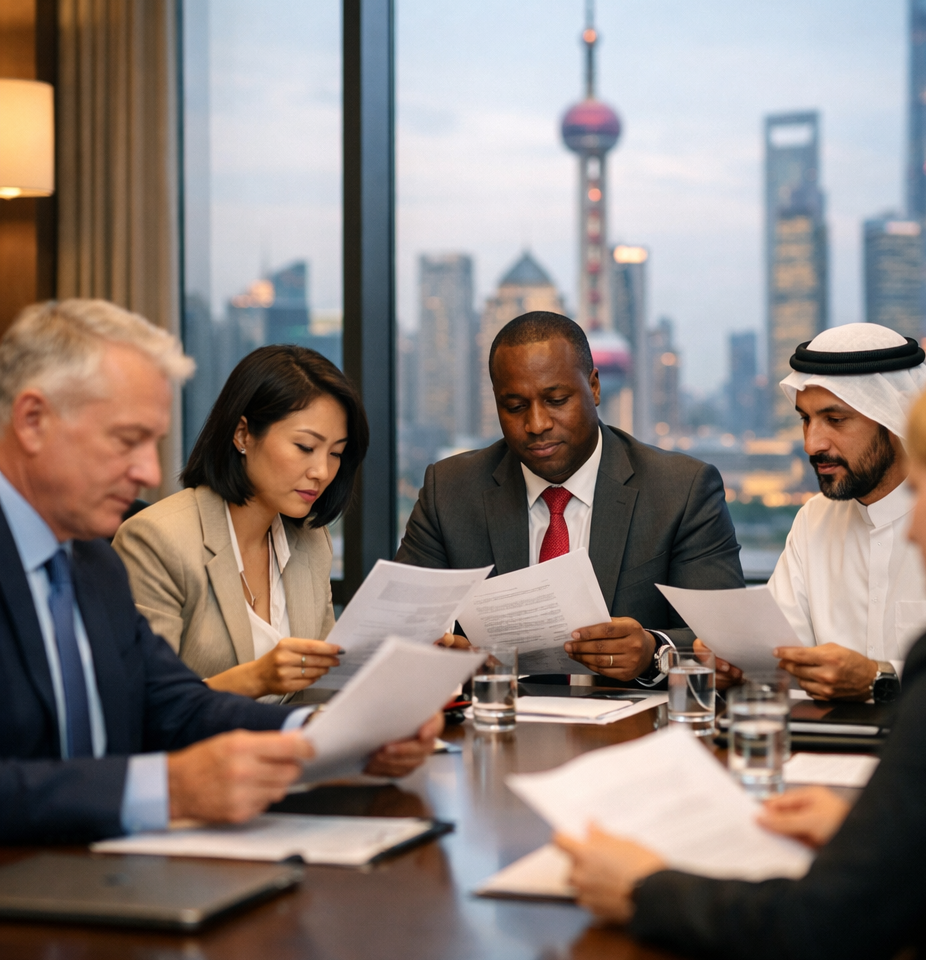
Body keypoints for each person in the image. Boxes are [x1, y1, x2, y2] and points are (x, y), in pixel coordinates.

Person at [555, 345, 926, 960]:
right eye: (806, 420)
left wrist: (643, 887)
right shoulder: (815, 522)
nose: (913, 527)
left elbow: (822, 932)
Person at [0, 301, 440, 844]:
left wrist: (333, 737)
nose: (149, 472)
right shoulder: (140, 542)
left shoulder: (90, 563)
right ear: (33, 420)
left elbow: (172, 704)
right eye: (125, 439)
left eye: (152, 443)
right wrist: (169, 788)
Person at [395, 311, 744, 685]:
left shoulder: (681, 490)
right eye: (514, 407)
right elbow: (400, 629)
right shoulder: (449, 491)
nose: (537, 424)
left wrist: (653, 652)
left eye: (557, 400)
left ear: (593, 387)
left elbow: (730, 642)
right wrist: (443, 658)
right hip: (495, 728)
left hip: (631, 733)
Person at [113, 345, 367, 701]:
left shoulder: (311, 541)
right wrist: (254, 680)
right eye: (306, 447)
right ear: (243, 435)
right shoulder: (157, 540)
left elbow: (323, 687)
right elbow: (141, 704)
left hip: (291, 749)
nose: (322, 472)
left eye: (336, 453)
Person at [767, 323, 926, 701]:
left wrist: (881, 678)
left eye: (835, 420)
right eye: (805, 419)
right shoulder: (813, 519)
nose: (812, 444)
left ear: (894, 417)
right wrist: (737, 662)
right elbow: (780, 652)